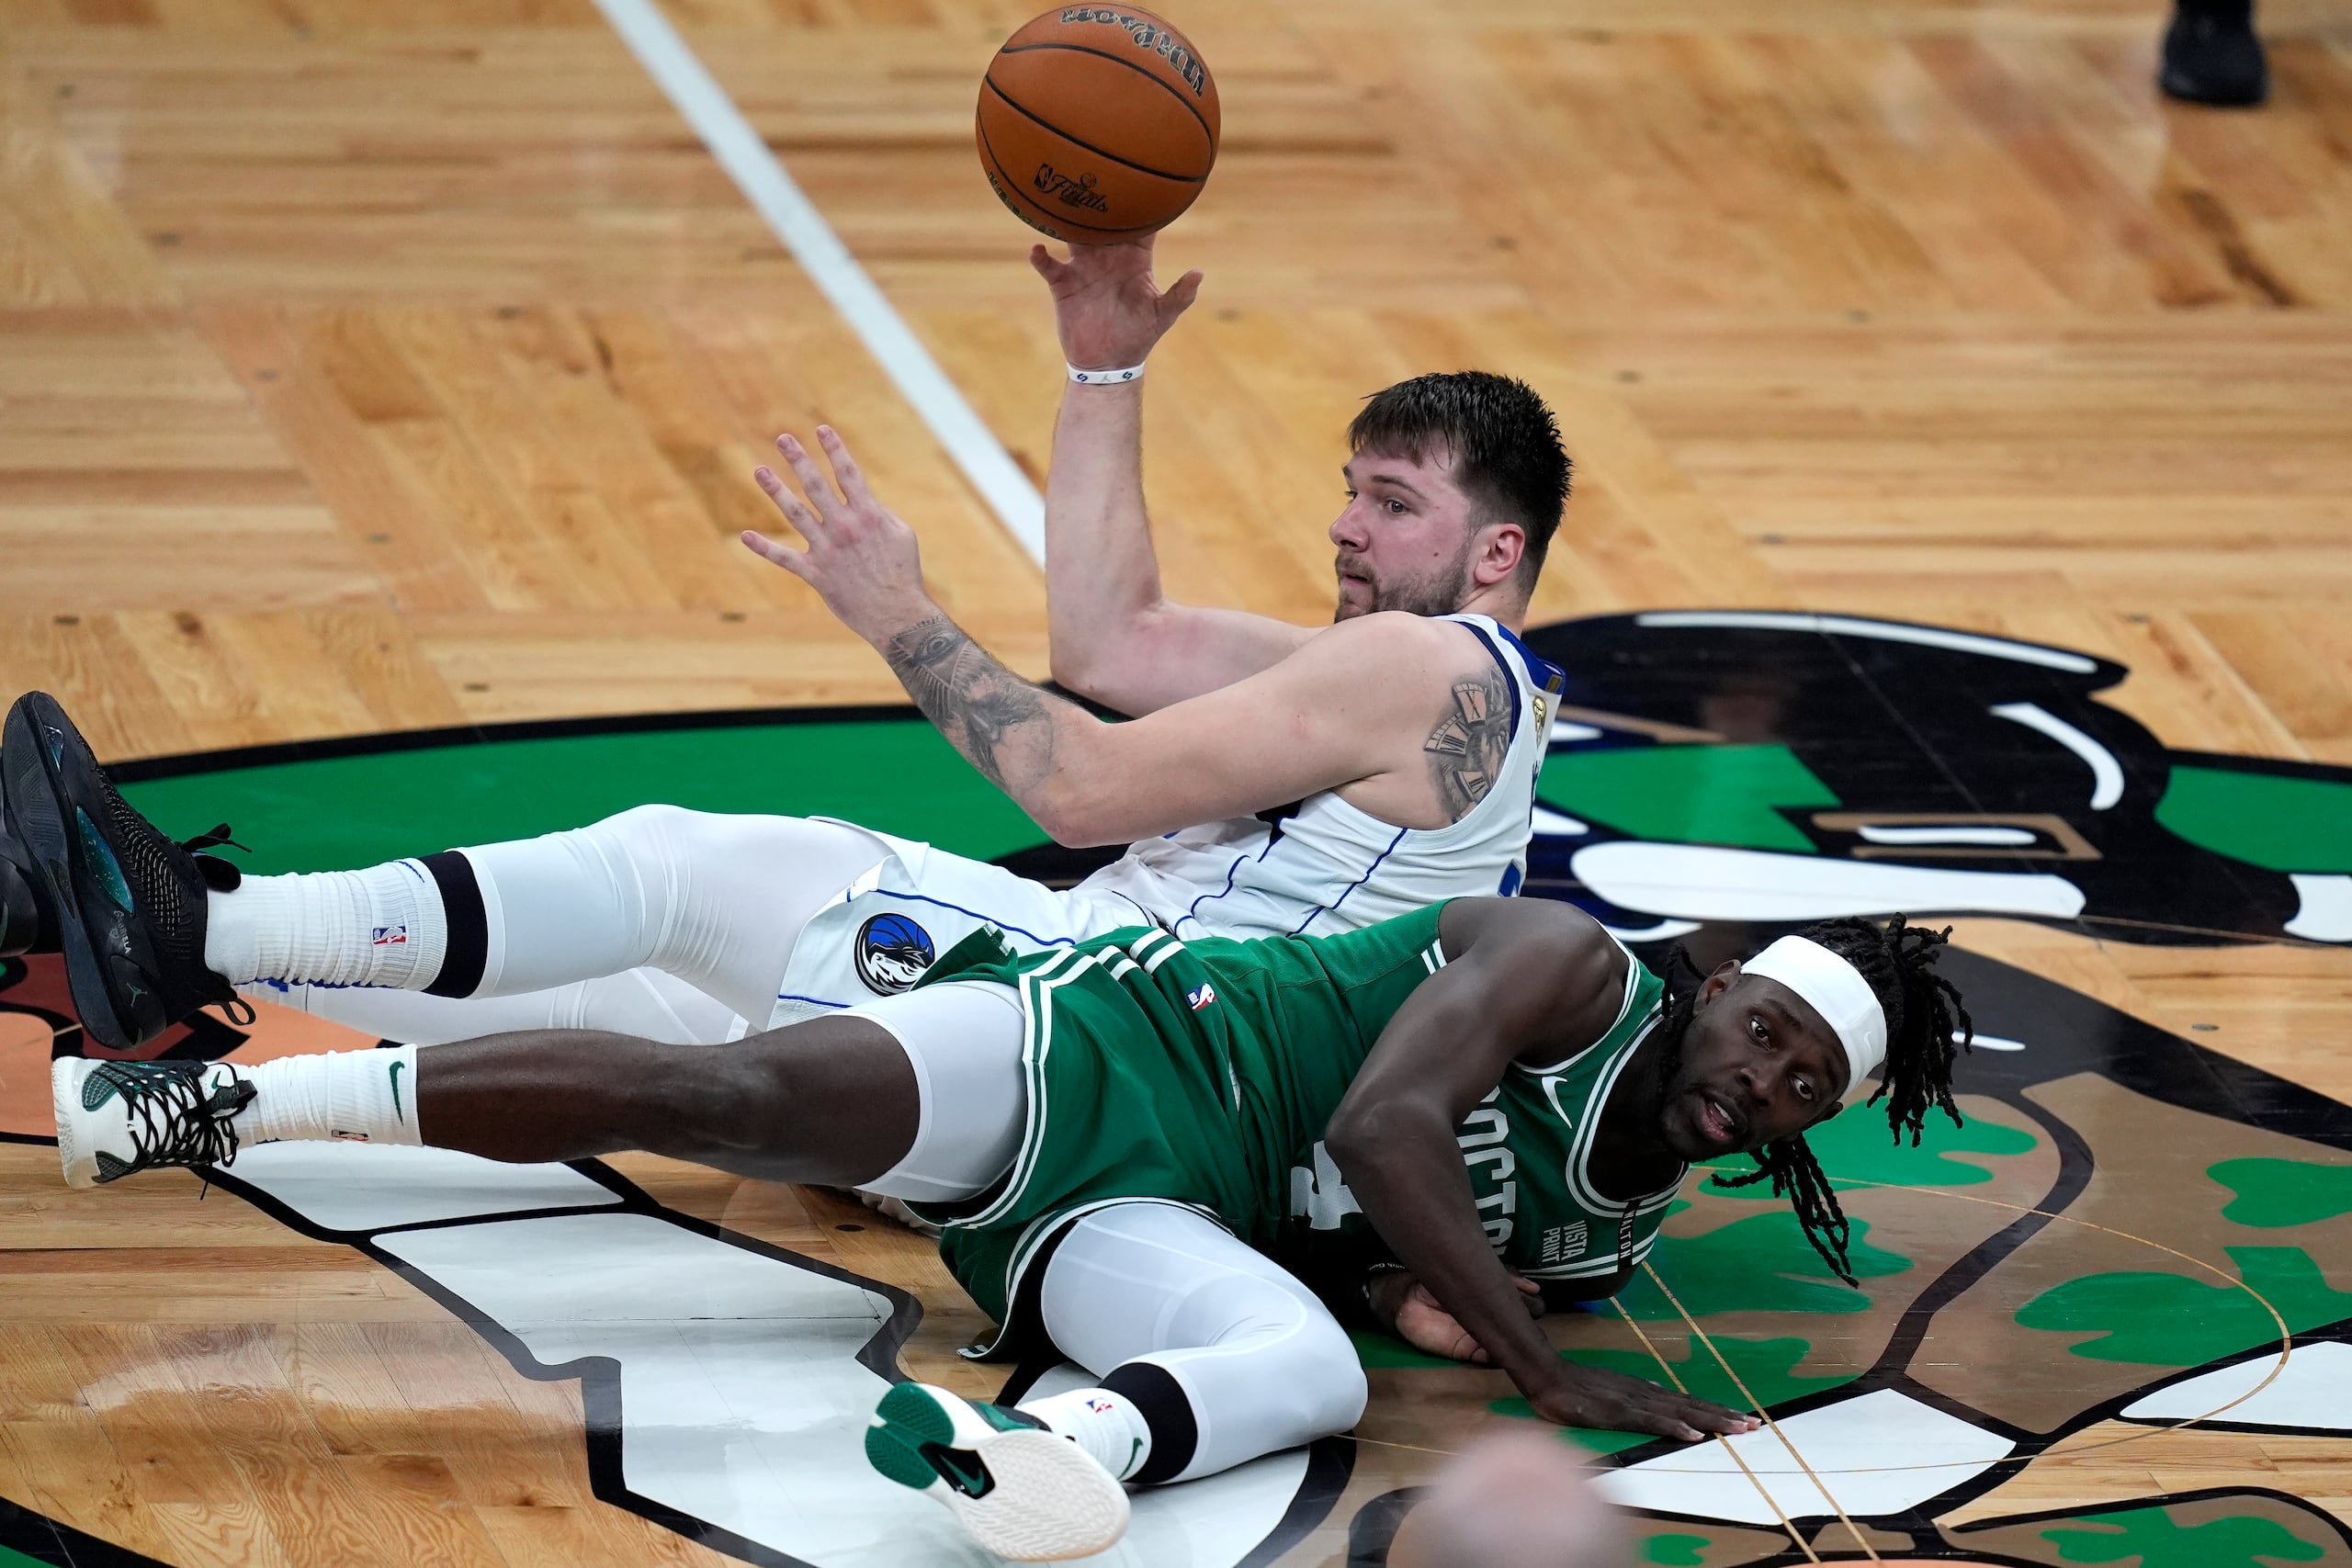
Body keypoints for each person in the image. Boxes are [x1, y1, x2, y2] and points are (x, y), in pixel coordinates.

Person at [49, 842, 1970, 1562]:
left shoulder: (1615, 1234)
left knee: (1306, 1372)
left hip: (1153, 1218)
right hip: (1113, 1045)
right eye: (1768, 1030)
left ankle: (1051, 1454)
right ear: (1725, 982)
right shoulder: (1570, 964)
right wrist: (1541, 1369)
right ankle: (206, 1099)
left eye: (1806, 1084)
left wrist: (1414, 1306)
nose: (1763, 1080)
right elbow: (1391, 1123)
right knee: (720, 1095)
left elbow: (1374, 1251)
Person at [0, 245, 1572, 1056]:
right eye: (1350, 490)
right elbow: (1112, 639)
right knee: (639, 1000)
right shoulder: (1434, 700)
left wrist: (893, 608)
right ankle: (162, 969)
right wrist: (1103, 374)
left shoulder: (1431, 669)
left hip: (1120, 1011)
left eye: (1393, 504)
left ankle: (191, 922)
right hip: (1148, 1038)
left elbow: (1081, 789)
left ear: (1497, 555)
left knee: (686, 870)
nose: (1345, 528)